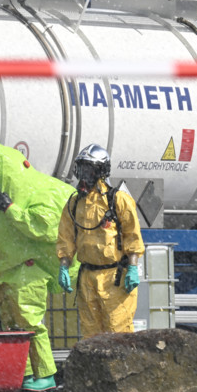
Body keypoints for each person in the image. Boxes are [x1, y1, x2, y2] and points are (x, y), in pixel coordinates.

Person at [0, 143, 79, 392]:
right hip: (7, 269)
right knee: (13, 328)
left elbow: (43, 228)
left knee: (30, 323)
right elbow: (8, 232)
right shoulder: (4, 197)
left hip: (28, 270)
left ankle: (46, 374)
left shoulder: (37, 192)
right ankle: (25, 374)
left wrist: (10, 208)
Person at [56, 143, 145, 338]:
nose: (84, 174)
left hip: (114, 278)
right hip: (87, 277)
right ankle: (96, 369)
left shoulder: (118, 200)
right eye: (82, 168)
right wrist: (64, 265)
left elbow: (133, 237)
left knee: (117, 332)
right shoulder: (74, 203)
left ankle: (122, 369)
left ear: (101, 171)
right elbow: (66, 238)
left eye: (89, 168)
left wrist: (132, 268)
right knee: (91, 336)